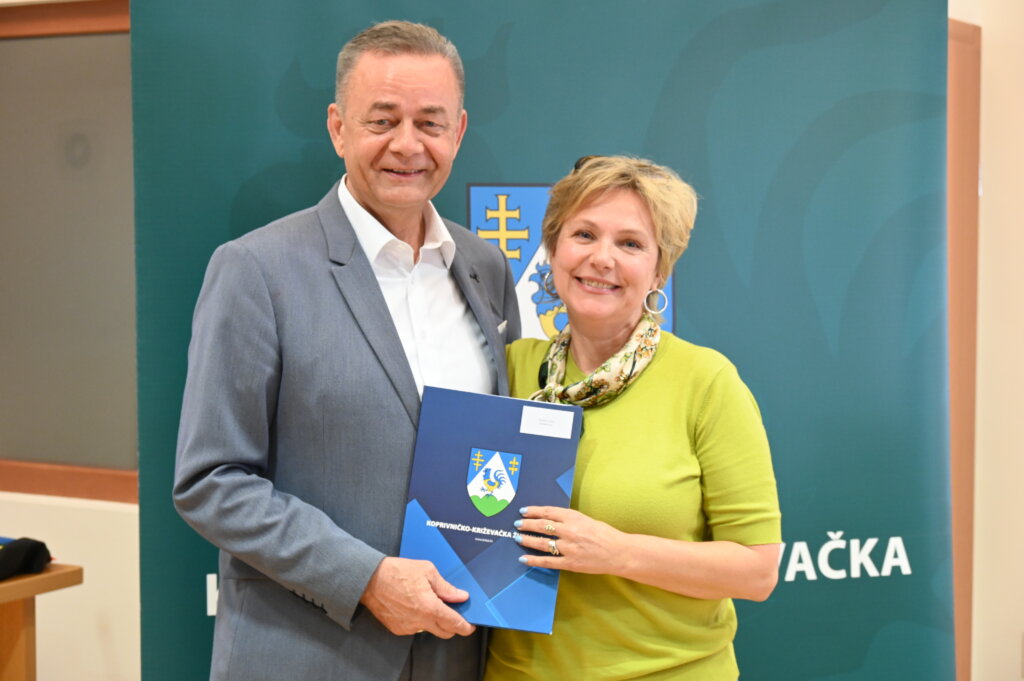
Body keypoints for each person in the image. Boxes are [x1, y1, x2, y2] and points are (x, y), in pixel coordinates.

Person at [173, 21, 520, 681]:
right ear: (338, 128)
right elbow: (210, 480)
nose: (407, 144)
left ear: (458, 132)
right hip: (308, 656)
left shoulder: (486, 268)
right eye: (382, 121)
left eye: (430, 123)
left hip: (456, 652)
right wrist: (366, 578)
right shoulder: (256, 270)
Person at [485, 156, 781, 681]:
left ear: (659, 270)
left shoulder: (705, 382)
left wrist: (616, 552)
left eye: (630, 243)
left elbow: (757, 571)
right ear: (553, 250)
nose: (602, 258)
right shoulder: (510, 369)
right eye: (584, 234)